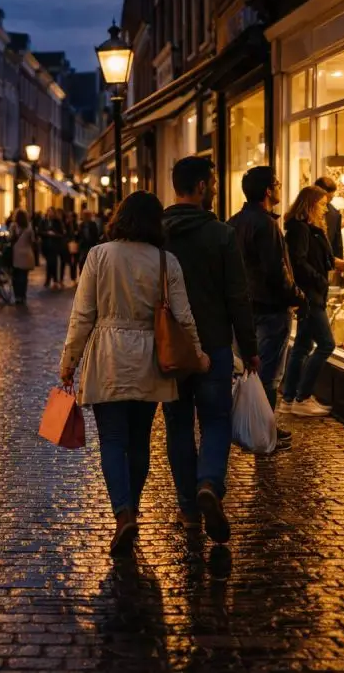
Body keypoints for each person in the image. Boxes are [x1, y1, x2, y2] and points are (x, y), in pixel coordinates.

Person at [60, 191, 208, 556]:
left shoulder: (99, 255)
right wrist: (197, 354)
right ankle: (133, 509)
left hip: (108, 357)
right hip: (148, 359)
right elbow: (183, 316)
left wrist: (69, 361)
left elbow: (82, 315)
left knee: (112, 440)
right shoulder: (165, 261)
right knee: (139, 440)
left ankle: (123, 513)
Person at [161, 157, 258, 543]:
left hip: (172, 347)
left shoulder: (159, 234)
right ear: (201, 186)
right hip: (214, 344)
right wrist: (249, 347)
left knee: (178, 425)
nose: (216, 188)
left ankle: (188, 511)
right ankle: (209, 483)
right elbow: (238, 295)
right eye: (213, 183)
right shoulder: (221, 234)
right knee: (216, 420)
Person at [228, 167, 303, 449]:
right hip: (270, 308)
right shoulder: (265, 224)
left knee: (247, 371)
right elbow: (276, 271)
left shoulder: (234, 222)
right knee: (269, 375)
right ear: (268, 190)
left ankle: (257, 424)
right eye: (278, 184)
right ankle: (264, 432)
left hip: (244, 308)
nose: (280, 188)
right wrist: (298, 296)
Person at [280, 186, 339, 417]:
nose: (325, 209)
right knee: (326, 344)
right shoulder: (301, 229)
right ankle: (302, 397)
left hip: (312, 294)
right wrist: (319, 280)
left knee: (303, 345)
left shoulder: (308, 228)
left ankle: (289, 398)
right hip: (310, 295)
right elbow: (298, 262)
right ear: (310, 204)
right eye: (322, 204)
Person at [314, 176, 344, 265]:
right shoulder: (305, 213)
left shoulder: (335, 214)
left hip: (328, 263)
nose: (325, 208)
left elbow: (337, 242)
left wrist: (338, 263)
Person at [9, 209, 36, 305]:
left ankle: (17, 296)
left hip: (16, 254)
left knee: (15, 276)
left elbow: (10, 238)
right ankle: (23, 296)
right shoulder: (29, 227)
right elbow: (33, 240)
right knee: (24, 277)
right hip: (27, 254)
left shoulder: (13, 226)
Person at [43, 209, 65, 290]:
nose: (50, 214)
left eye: (51, 212)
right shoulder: (44, 221)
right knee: (49, 263)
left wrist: (54, 234)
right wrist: (47, 233)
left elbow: (61, 233)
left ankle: (54, 280)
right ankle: (50, 279)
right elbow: (40, 231)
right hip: (46, 246)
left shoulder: (57, 222)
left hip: (55, 246)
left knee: (53, 263)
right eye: (49, 212)